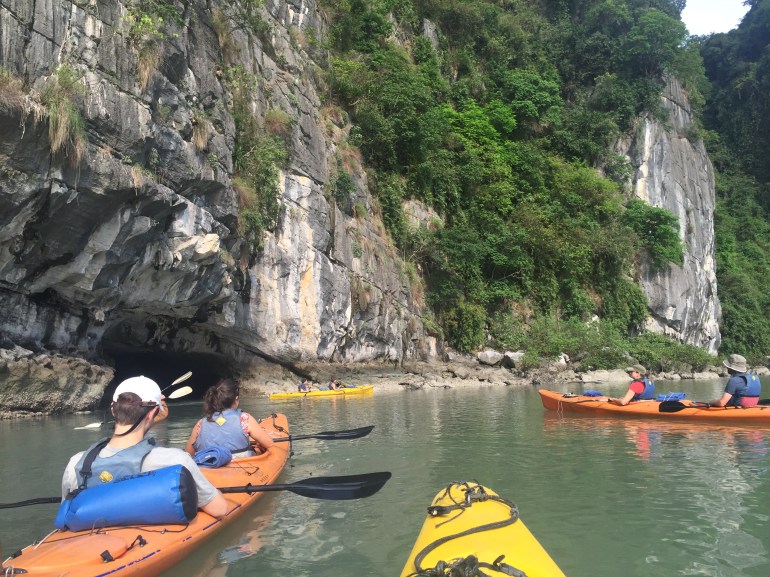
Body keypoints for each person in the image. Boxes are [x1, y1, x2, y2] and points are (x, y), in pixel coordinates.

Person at [61, 376, 228, 518]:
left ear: (113, 409)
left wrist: (151, 414)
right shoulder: (174, 460)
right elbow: (220, 509)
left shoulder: (76, 463)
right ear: (152, 413)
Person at [185, 378, 274, 458]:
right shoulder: (245, 419)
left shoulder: (200, 424)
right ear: (236, 400)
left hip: (210, 467)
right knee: (258, 450)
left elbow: (188, 453)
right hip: (242, 468)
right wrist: (259, 446)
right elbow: (270, 444)